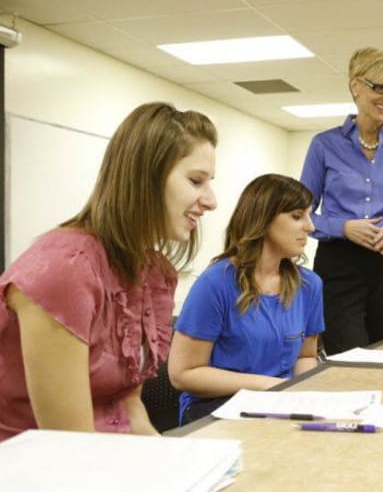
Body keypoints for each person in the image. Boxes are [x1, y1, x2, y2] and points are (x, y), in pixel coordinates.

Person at [0, 102, 218, 440]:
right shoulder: (66, 266)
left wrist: (167, 457)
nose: (211, 200)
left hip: (106, 459)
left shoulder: (152, 273)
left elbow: (128, 404)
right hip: (30, 472)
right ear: (145, 177)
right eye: (195, 181)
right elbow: (66, 442)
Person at [300, 47, 383, 355]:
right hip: (339, 265)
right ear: (355, 85)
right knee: (347, 359)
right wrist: (344, 227)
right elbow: (302, 214)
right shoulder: (324, 145)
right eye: (379, 87)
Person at [168, 174, 324, 424]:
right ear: (262, 220)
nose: (310, 226)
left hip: (278, 403)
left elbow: (305, 357)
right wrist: (269, 386)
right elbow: (183, 374)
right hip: (215, 408)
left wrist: (306, 396)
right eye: (297, 216)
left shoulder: (309, 285)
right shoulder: (215, 283)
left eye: (309, 215)